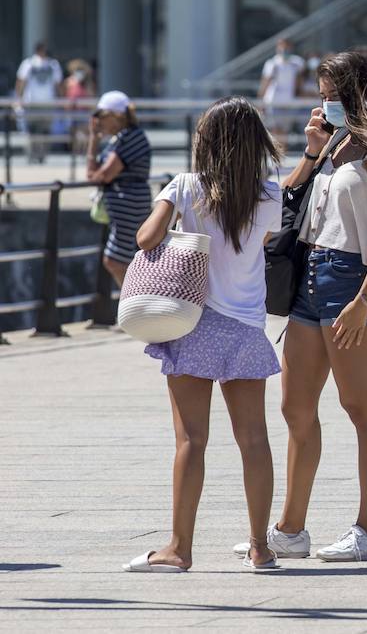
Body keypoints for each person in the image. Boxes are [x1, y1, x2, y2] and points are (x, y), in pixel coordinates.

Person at [271, 50, 367, 562]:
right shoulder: (335, 144)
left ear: (356, 93)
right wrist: (312, 151)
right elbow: (285, 200)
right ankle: (291, 528)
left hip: (349, 277)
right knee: (295, 405)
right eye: (320, 97)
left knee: (360, 407)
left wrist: (364, 300)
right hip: (310, 272)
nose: (324, 105)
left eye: (331, 96)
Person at [125, 97, 284, 573]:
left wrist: (171, 204)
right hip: (245, 329)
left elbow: (146, 238)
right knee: (254, 440)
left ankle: (179, 547)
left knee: (191, 441)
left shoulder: (186, 185)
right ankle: (259, 546)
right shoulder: (271, 195)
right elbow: (266, 243)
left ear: (206, 143)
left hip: (192, 324)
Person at [86, 91, 152, 286]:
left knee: (115, 260)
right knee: (129, 259)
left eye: (102, 116)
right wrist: (94, 139)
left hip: (128, 203)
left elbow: (103, 175)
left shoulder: (129, 138)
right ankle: (134, 306)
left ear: (117, 116)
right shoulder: (122, 139)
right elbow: (92, 175)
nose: (98, 122)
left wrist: (98, 174)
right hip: (127, 204)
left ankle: (133, 305)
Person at [15, 41, 63, 164]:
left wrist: (61, 100)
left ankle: (42, 155)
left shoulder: (53, 65)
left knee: (45, 131)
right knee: (32, 130)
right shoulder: (28, 64)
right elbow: (21, 82)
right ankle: (32, 154)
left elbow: (58, 84)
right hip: (31, 103)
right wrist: (19, 99)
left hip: (48, 103)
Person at [260, 39, 305, 145]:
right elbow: (265, 83)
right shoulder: (272, 63)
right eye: (282, 47)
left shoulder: (297, 63)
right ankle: (277, 157)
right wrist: (261, 101)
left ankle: (282, 157)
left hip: (289, 103)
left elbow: (300, 83)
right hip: (273, 102)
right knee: (275, 132)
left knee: (284, 134)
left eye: (287, 47)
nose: (285, 50)